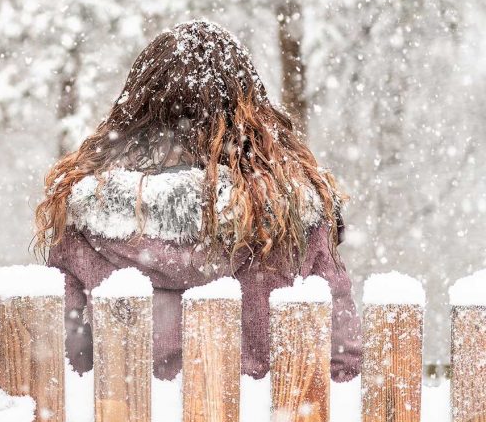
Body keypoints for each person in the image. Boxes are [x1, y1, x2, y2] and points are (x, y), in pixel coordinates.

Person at [36, 19, 361, 390]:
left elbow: (61, 368)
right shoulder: (292, 222)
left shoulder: (87, 224)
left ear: (135, 113)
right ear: (249, 115)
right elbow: (343, 369)